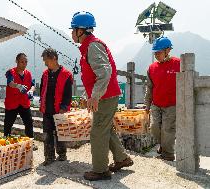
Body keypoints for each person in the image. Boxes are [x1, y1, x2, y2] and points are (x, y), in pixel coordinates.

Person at [70, 11, 133, 181]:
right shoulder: (88, 47)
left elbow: (105, 72)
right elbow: (93, 76)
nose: (71, 33)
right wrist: (88, 95)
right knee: (105, 128)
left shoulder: (92, 45)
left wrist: (95, 96)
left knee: (98, 132)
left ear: (81, 31)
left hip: (105, 96)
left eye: (73, 29)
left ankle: (100, 170)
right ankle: (122, 159)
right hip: (106, 94)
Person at [144, 36, 180, 161]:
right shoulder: (152, 68)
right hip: (156, 104)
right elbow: (149, 87)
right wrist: (147, 105)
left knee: (167, 129)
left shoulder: (179, 64)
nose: (156, 55)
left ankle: (168, 155)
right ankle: (163, 146)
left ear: (168, 50)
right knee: (154, 128)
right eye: (155, 53)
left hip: (172, 104)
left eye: (159, 52)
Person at [39, 48, 73, 166]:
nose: (45, 63)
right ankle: (49, 157)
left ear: (54, 58)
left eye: (46, 60)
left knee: (60, 133)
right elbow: (42, 90)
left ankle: (62, 154)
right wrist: (41, 105)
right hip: (47, 109)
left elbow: (68, 94)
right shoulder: (44, 74)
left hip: (60, 110)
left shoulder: (67, 75)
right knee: (47, 134)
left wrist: (64, 107)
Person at [4, 53, 37, 150]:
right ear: (17, 61)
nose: (24, 64)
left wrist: (31, 90)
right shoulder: (11, 72)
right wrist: (18, 86)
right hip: (12, 102)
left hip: (24, 102)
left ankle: (30, 142)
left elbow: (33, 84)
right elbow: (10, 83)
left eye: (26, 62)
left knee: (29, 122)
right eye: (22, 62)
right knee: (8, 123)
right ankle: (6, 142)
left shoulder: (28, 73)